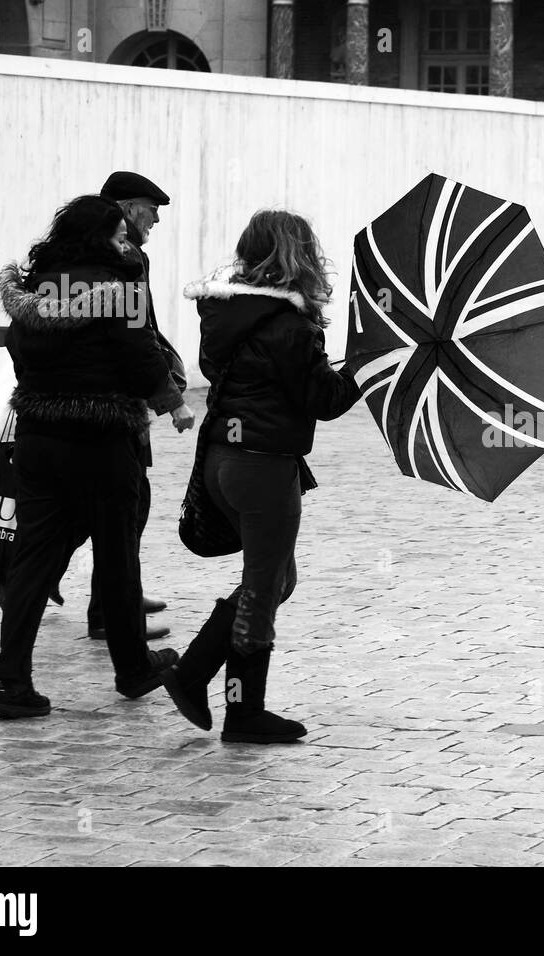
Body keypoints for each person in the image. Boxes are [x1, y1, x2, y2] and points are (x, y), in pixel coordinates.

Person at [0, 195, 193, 719]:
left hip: (39, 437)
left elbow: (17, 350)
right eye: (119, 234)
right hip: (102, 439)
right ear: (100, 237)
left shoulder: (36, 288)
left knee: (32, 558)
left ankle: (12, 682)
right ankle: (133, 668)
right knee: (117, 553)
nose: (126, 242)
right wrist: (172, 403)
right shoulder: (120, 290)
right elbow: (139, 356)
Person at [169, 209, 363, 743]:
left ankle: (196, 678)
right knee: (262, 586)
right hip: (263, 468)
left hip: (223, 462)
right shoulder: (289, 325)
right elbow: (323, 400)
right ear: (293, 255)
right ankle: (239, 709)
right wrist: (364, 369)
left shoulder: (227, 313)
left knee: (275, 580)